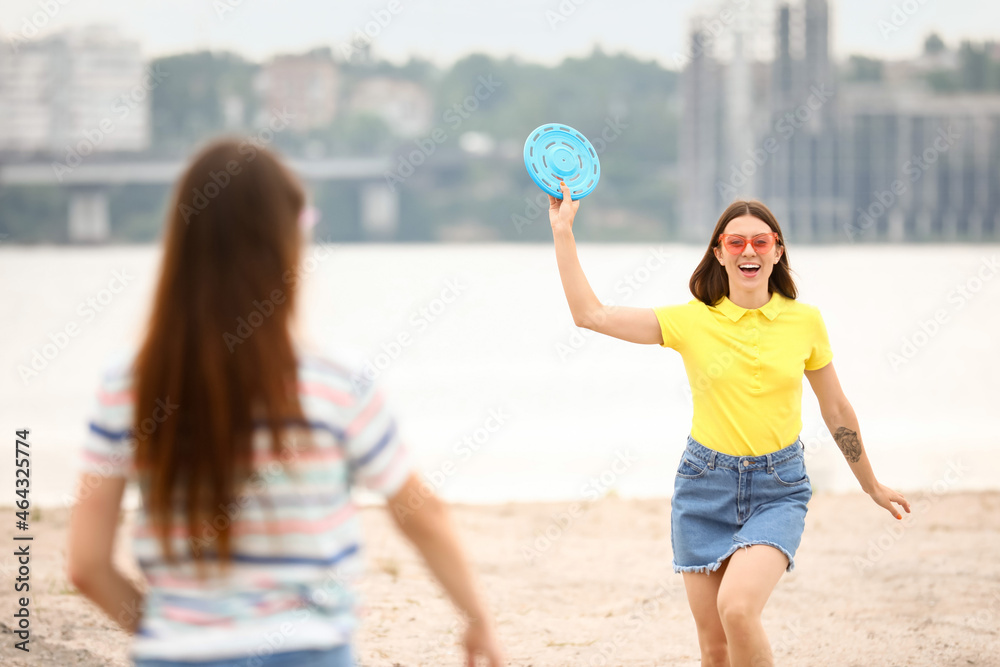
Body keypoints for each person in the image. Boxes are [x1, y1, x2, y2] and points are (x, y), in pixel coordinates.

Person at [65, 138, 506, 667]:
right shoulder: (336, 384)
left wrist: (171, 635)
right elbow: (421, 513)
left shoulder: (128, 387)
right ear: (287, 244)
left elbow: (86, 566)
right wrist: (478, 620)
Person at [546, 181, 911, 667]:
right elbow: (590, 315)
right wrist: (563, 231)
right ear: (719, 254)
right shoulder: (692, 321)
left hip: (779, 488)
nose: (748, 251)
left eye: (761, 241)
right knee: (714, 647)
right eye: (735, 242)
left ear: (777, 251)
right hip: (703, 489)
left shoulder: (805, 321)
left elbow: (837, 409)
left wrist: (871, 485)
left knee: (737, 610)